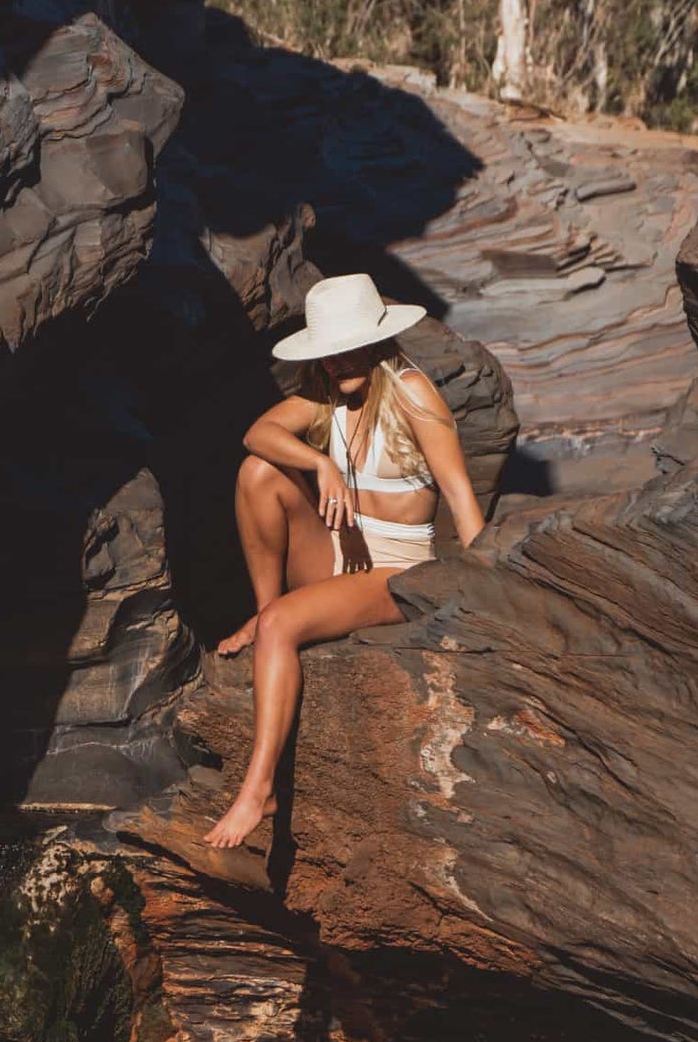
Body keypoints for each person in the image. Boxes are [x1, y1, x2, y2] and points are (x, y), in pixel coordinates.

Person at [203, 273, 488, 851]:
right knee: (258, 473)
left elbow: (460, 496)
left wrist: (489, 591)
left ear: (377, 343)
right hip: (336, 553)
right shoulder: (325, 395)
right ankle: (265, 610)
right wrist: (319, 464)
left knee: (285, 627)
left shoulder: (411, 392)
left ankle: (260, 788)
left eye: (345, 351)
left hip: (396, 573)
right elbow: (258, 435)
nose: (334, 364)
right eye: (326, 355)